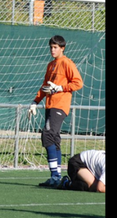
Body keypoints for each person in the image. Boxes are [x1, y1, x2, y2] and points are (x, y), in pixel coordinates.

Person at [27, 35, 83, 188]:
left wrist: (60, 88)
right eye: (51, 47)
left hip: (60, 105)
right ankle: (56, 177)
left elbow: (78, 83)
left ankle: (55, 176)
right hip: (49, 105)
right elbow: (45, 86)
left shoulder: (67, 63)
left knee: (48, 134)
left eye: (55, 47)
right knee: (54, 139)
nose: (52, 50)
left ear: (62, 48)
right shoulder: (51, 65)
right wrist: (35, 102)